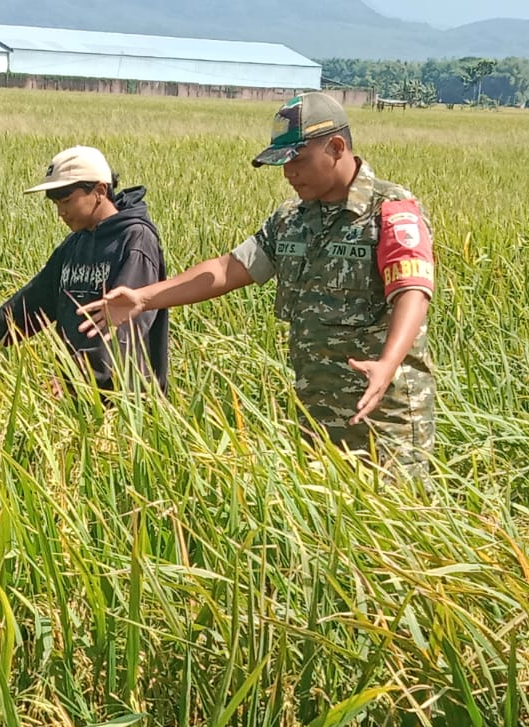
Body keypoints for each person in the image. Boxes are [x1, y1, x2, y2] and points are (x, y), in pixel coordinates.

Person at [78, 93, 435, 480]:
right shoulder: (290, 220)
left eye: (298, 160)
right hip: (315, 413)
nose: (289, 173)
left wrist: (387, 363)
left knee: (392, 514)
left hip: (384, 417)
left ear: (336, 147)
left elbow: (411, 291)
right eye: (283, 164)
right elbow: (228, 269)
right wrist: (144, 298)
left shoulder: (389, 210)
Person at [0, 146, 169, 395]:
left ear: (100, 191)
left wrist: (80, 375)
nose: (60, 212)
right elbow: (35, 301)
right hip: (75, 391)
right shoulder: (75, 243)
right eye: (56, 203)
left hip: (126, 399)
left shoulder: (135, 239)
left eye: (66, 201)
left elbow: (126, 325)